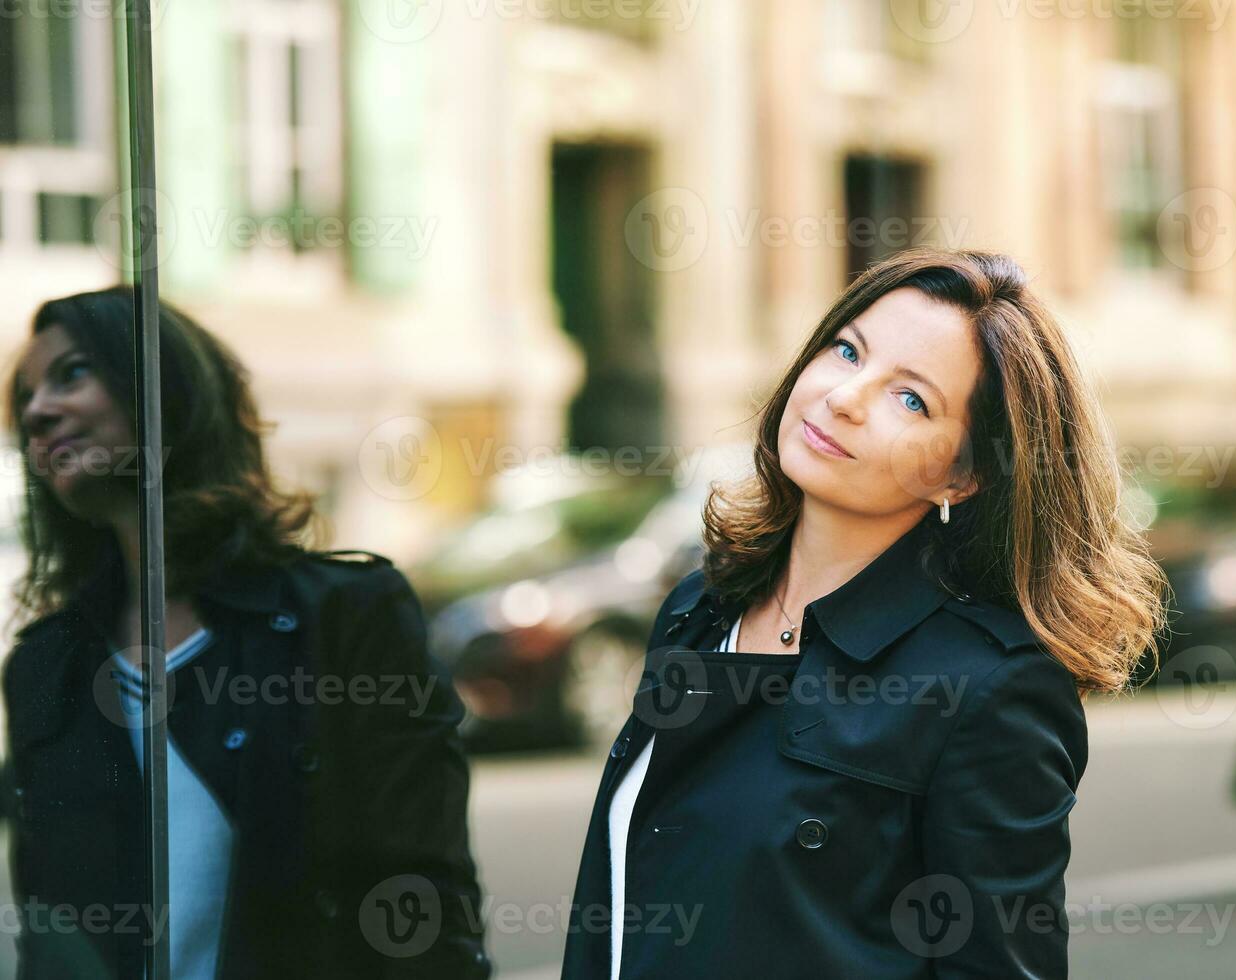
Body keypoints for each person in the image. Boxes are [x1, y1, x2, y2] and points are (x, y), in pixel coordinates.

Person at [561, 247, 1167, 978]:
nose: (846, 397)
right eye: (847, 350)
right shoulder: (700, 607)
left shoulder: (986, 688)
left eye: (910, 399)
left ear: (964, 473)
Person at [1, 286, 492, 979]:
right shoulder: (44, 665)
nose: (37, 412)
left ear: (163, 389)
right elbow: (49, 942)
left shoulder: (347, 614)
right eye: (24, 398)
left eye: (71, 373)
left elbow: (425, 897)